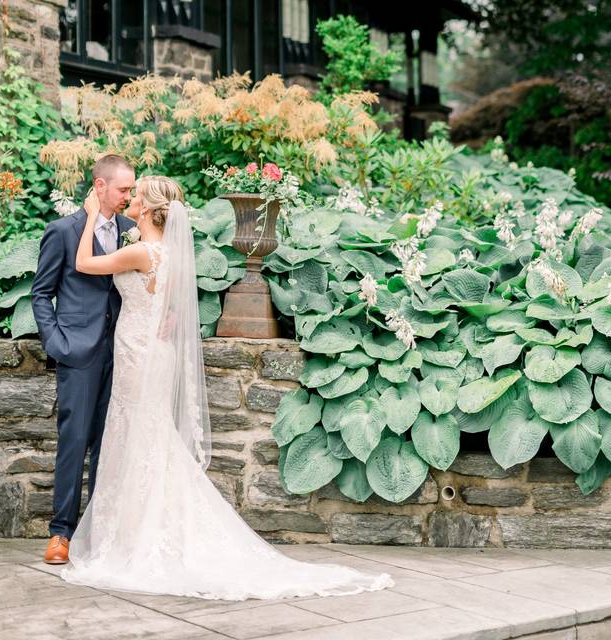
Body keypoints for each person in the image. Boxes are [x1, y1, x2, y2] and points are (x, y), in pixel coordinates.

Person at [57, 174, 393, 599]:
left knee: (137, 436)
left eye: (136, 195)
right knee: (147, 436)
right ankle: (142, 530)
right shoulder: (169, 254)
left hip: (139, 353)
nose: (131, 199)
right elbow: (170, 310)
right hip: (148, 352)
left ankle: (135, 538)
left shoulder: (141, 250)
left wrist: (88, 217)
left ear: (147, 208)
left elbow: (85, 263)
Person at [31, 154, 137, 565]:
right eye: (123, 189)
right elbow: (41, 294)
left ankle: (101, 530)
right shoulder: (62, 230)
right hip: (78, 350)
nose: (128, 196)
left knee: (110, 443)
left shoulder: (132, 231)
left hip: (124, 350)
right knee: (74, 442)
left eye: (131, 189)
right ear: (99, 186)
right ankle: (61, 534)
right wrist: (56, 342)